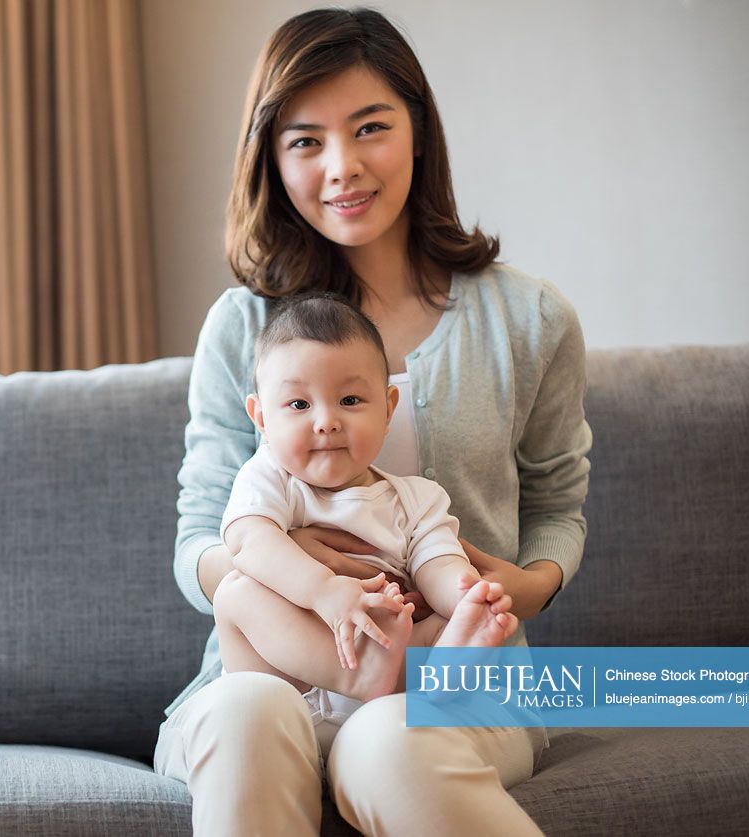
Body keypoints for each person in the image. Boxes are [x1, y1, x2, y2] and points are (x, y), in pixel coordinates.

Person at [153, 6, 592, 836]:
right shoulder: (240, 328)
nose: (341, 167)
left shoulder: (528, 320)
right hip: (263, 673)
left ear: (418, 133)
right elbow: (197, 543)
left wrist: (523, 587)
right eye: (305, 140)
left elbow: (557, 503)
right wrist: (294, 565)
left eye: (369, 128)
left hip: (453, 677)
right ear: (272, 160)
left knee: (390, 739)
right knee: (250, 716)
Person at [214, 293, 521, 743]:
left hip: (386, 691)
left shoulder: (416, 499)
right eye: (299, 405)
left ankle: (444, 667)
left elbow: (436, 561)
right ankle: (355, 675)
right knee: (236, 592)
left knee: (436, 622)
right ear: (261, 417)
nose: (326, 422)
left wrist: (465, 598)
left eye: (350, 399)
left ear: (389, 407)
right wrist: (323, 591)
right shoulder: (270, 479)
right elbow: (247, 541)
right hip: (285, 695)